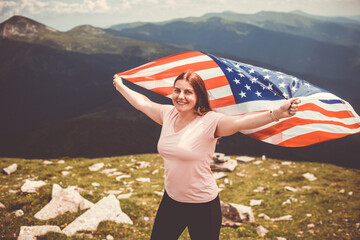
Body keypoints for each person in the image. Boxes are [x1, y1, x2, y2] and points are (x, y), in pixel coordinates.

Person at [113, 70, 300, 240]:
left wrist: (276, 114)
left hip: (202, 206)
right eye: (177, 90)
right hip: (171, 200)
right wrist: (121, 87)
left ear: (198, 96)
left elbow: (241, 122)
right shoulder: (167, 114)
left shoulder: (210, 122)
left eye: (188, 92)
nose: (180, 96)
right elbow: (143, 103)